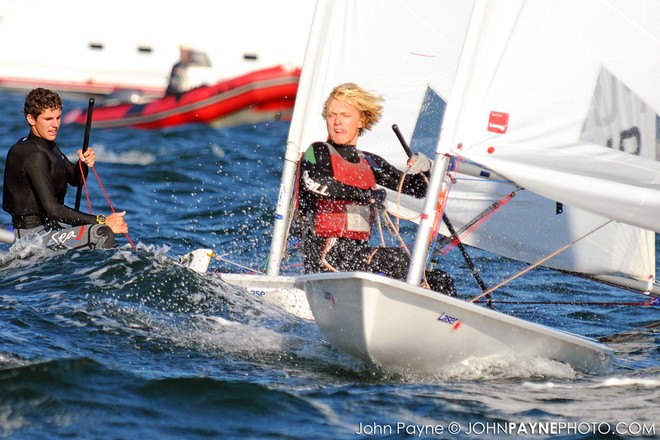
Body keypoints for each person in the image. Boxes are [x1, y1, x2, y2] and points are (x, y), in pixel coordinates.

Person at [297, 83, 455, 295]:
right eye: (332, 115)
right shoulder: (317, 152)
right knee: (397, 261)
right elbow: (315, 183)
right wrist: (366, 196)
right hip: (324, 255)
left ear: (361, 121)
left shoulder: (369, 161)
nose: (337, 122)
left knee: (440, 280)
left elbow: (417, 189)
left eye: (345, 115)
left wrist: (425, 168)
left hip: (355, 254)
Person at [2, 88, 128, 250]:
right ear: (31, 119)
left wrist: (82, 163)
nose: (55, 125)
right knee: (101, 232)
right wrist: (103, 220)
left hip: (53, 229)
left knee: (101, 232)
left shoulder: (49, 147)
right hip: (31, 236)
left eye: (58, 118)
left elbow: (75, 179)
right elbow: (53, 209)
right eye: (48, 119)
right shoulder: (31, 153)